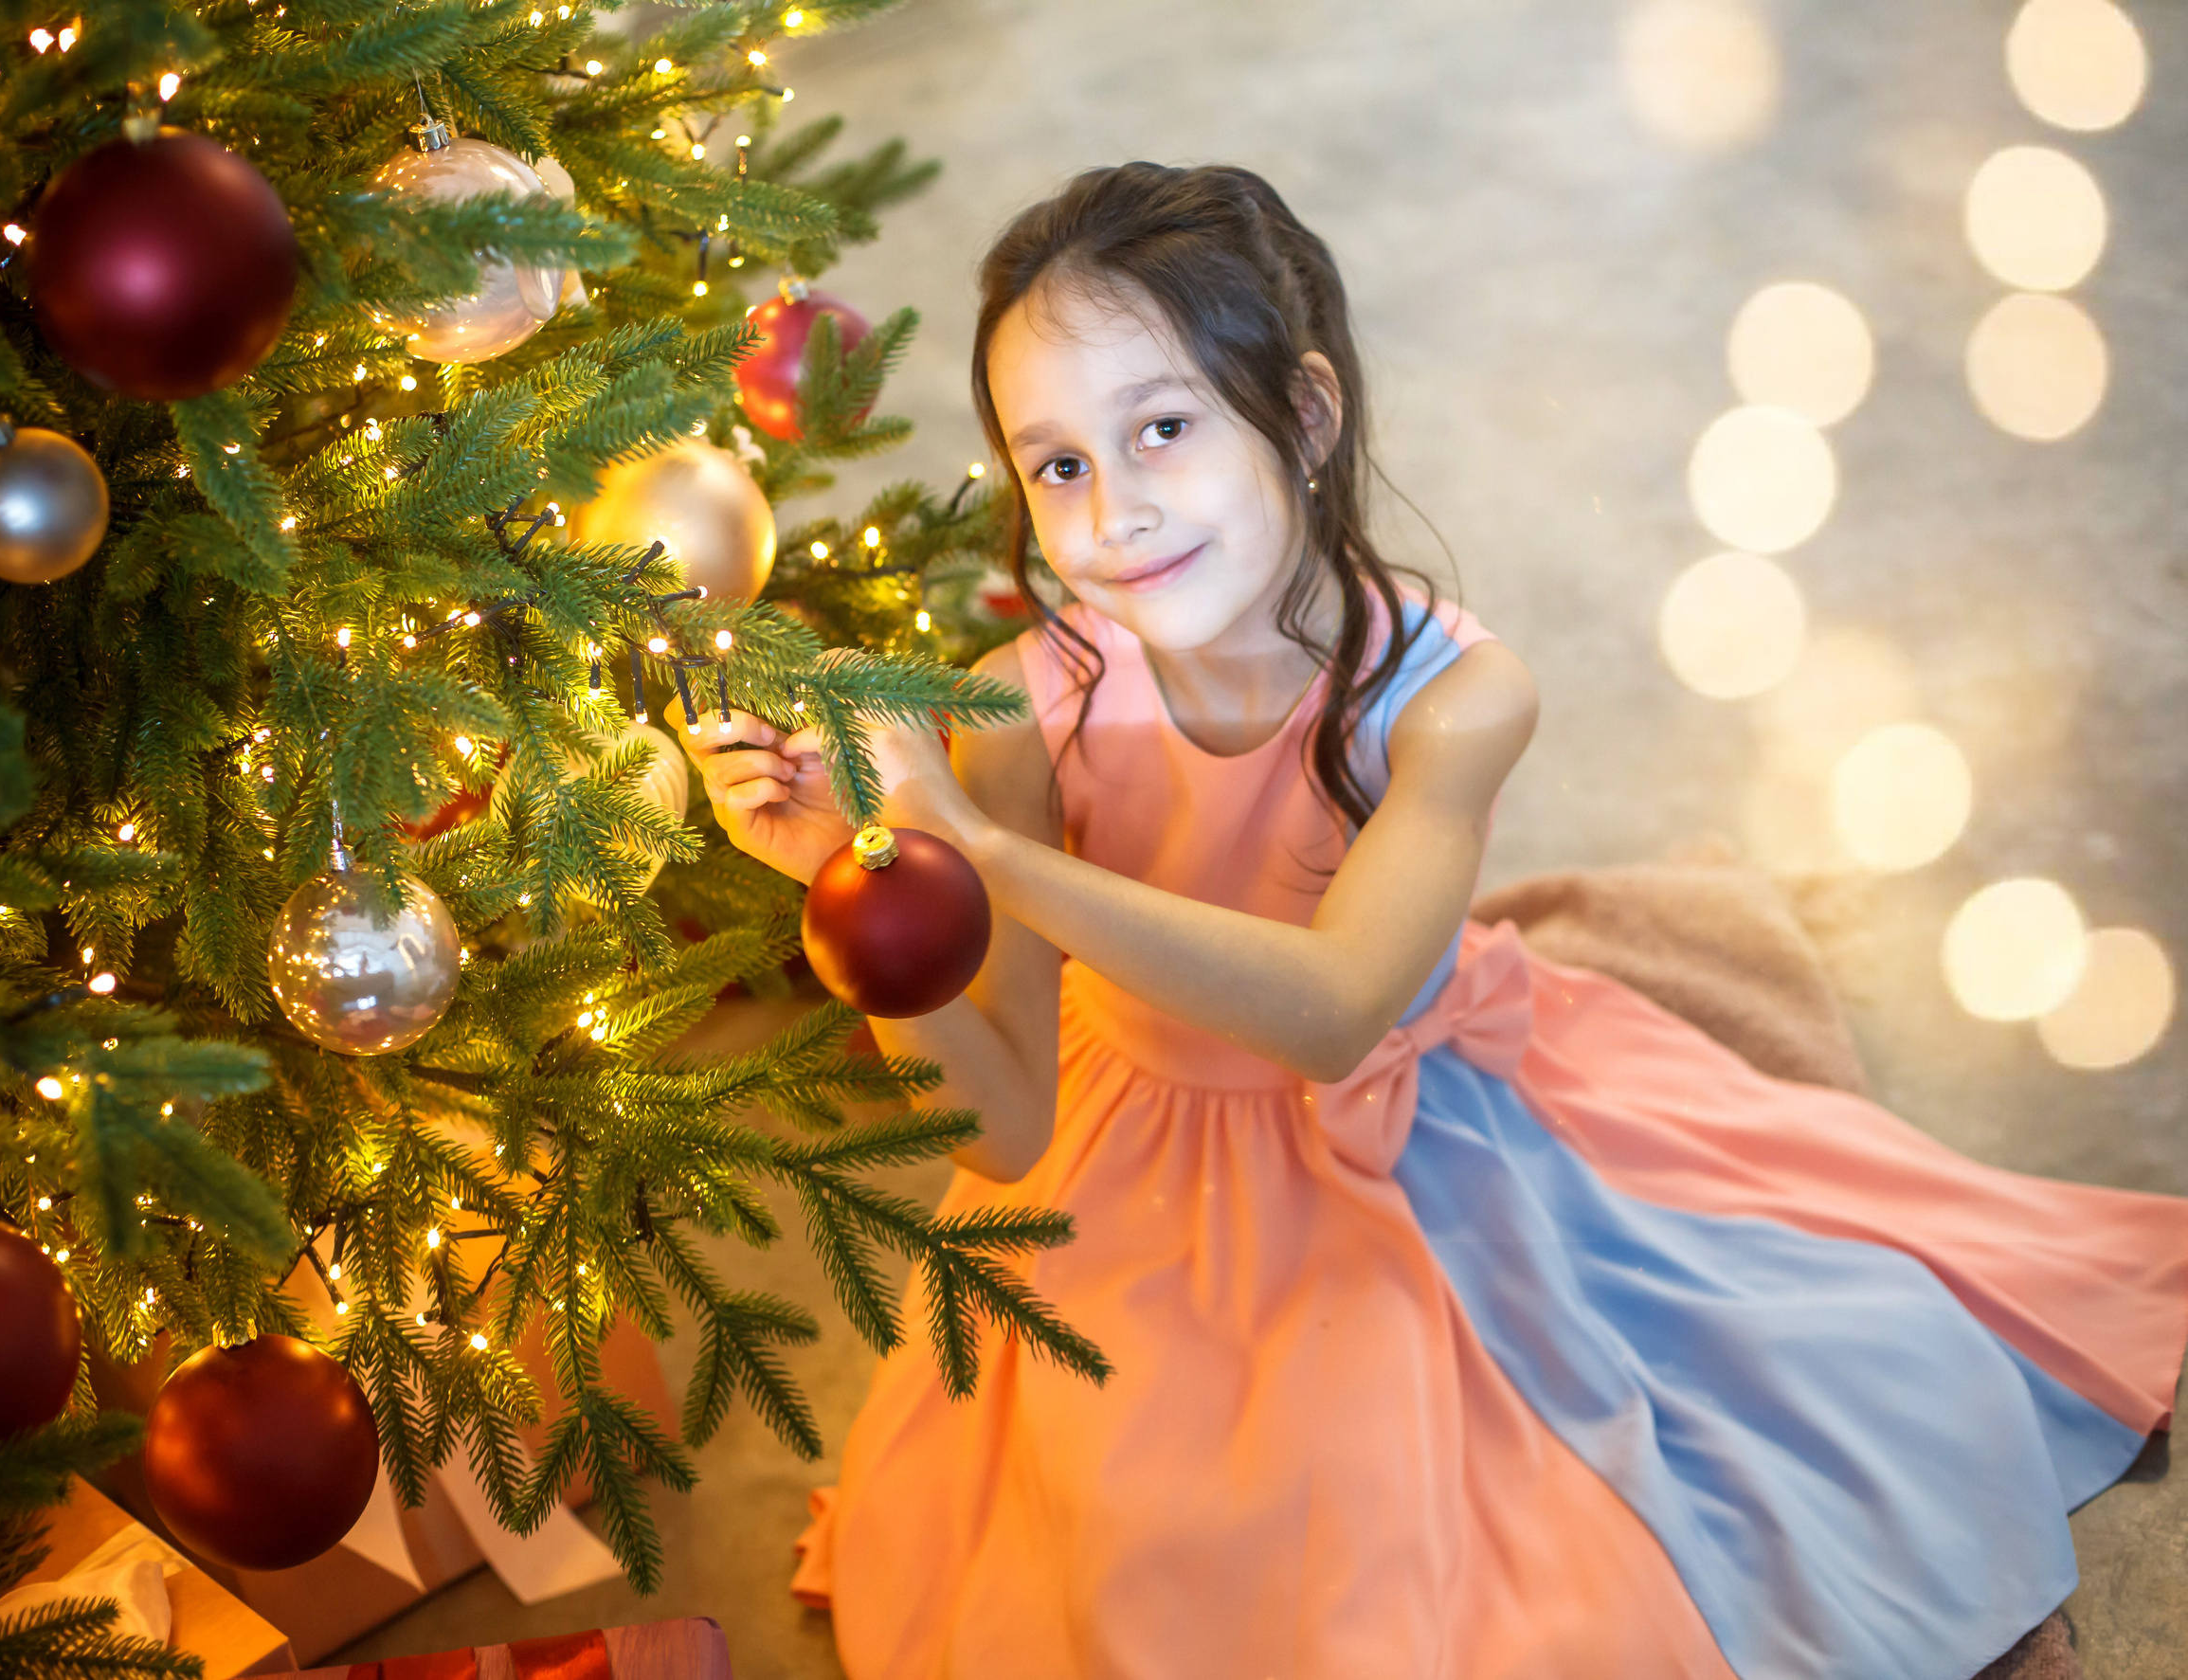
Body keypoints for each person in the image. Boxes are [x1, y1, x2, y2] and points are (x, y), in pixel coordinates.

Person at [674, 163, 2188, 1679]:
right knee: (1155, 1564)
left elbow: (1336, 1010)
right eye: (1056, 465)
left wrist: (989, 856)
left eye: (1164, 428)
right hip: (1124, 1180)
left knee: (1515, 1560)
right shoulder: (1025, 707)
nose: (1115, 511)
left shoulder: (1456, 698)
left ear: (1309, 416)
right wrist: (867, 884)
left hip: (1407, 1145)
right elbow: (1000, 1134)